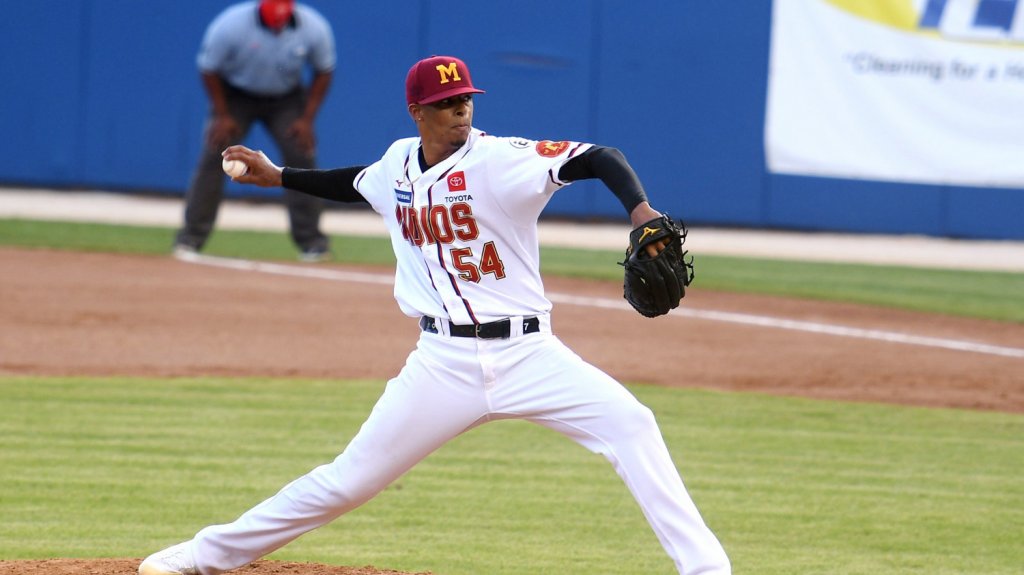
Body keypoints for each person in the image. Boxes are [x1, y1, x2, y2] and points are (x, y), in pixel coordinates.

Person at [141, 55, 730, 575]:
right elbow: (357, 183)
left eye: (465, 100)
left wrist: (640, 211)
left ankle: (707, 568)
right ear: (417, 111)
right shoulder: (398, 162)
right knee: (348, 481)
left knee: (633, 425)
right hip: (442, 364)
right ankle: (202, 554)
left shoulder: (502, 159)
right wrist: (281, 177)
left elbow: (600, 157)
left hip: (530, 354)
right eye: (446, 103)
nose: (460, 111)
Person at [174, 0, 336, 262]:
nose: (277, 27)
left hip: (286, 99)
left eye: (282, 22)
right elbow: (209, 68)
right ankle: (190, 237)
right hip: (236, 96)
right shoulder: (231, 25)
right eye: (272, 22)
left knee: (301, 159)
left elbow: (324, 70)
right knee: (215, 156)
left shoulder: (314, 27)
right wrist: (222, 115)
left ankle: (312, 242)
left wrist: (307, 119)